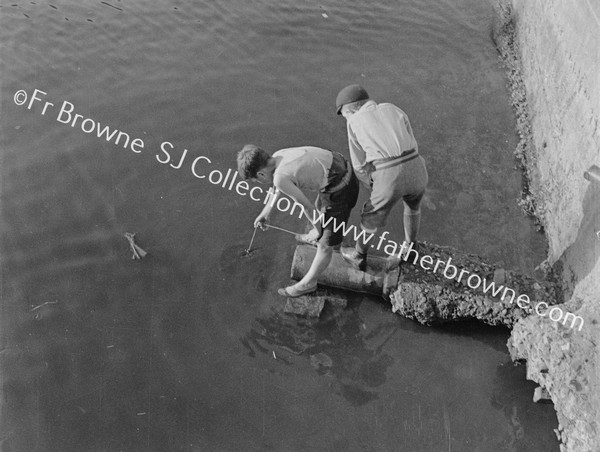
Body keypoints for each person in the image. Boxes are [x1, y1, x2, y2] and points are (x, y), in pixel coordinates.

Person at [237, 144, 358, 297]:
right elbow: (277, 187)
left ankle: (309, 283)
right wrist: (265, 213)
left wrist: (319, 231)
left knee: (325, 244)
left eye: (256, 180)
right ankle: (328, 236)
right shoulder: (278, 154)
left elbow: (306, 207)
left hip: (342, 189)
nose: (259, 182)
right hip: (341, 168)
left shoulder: (280, 177)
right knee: (319, 207)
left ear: (261, 174)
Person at [335, 84, 428, 270]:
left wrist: (371, 185)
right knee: (412, 207)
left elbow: (359, 165)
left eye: (344, 114)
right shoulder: (393, 108)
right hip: (417, 165)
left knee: (370, 217)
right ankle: (411, 247)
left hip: (389, 173)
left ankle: (358, 256)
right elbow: (413, 142)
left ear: (351, 109)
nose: (345, 117)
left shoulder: (353, 121)